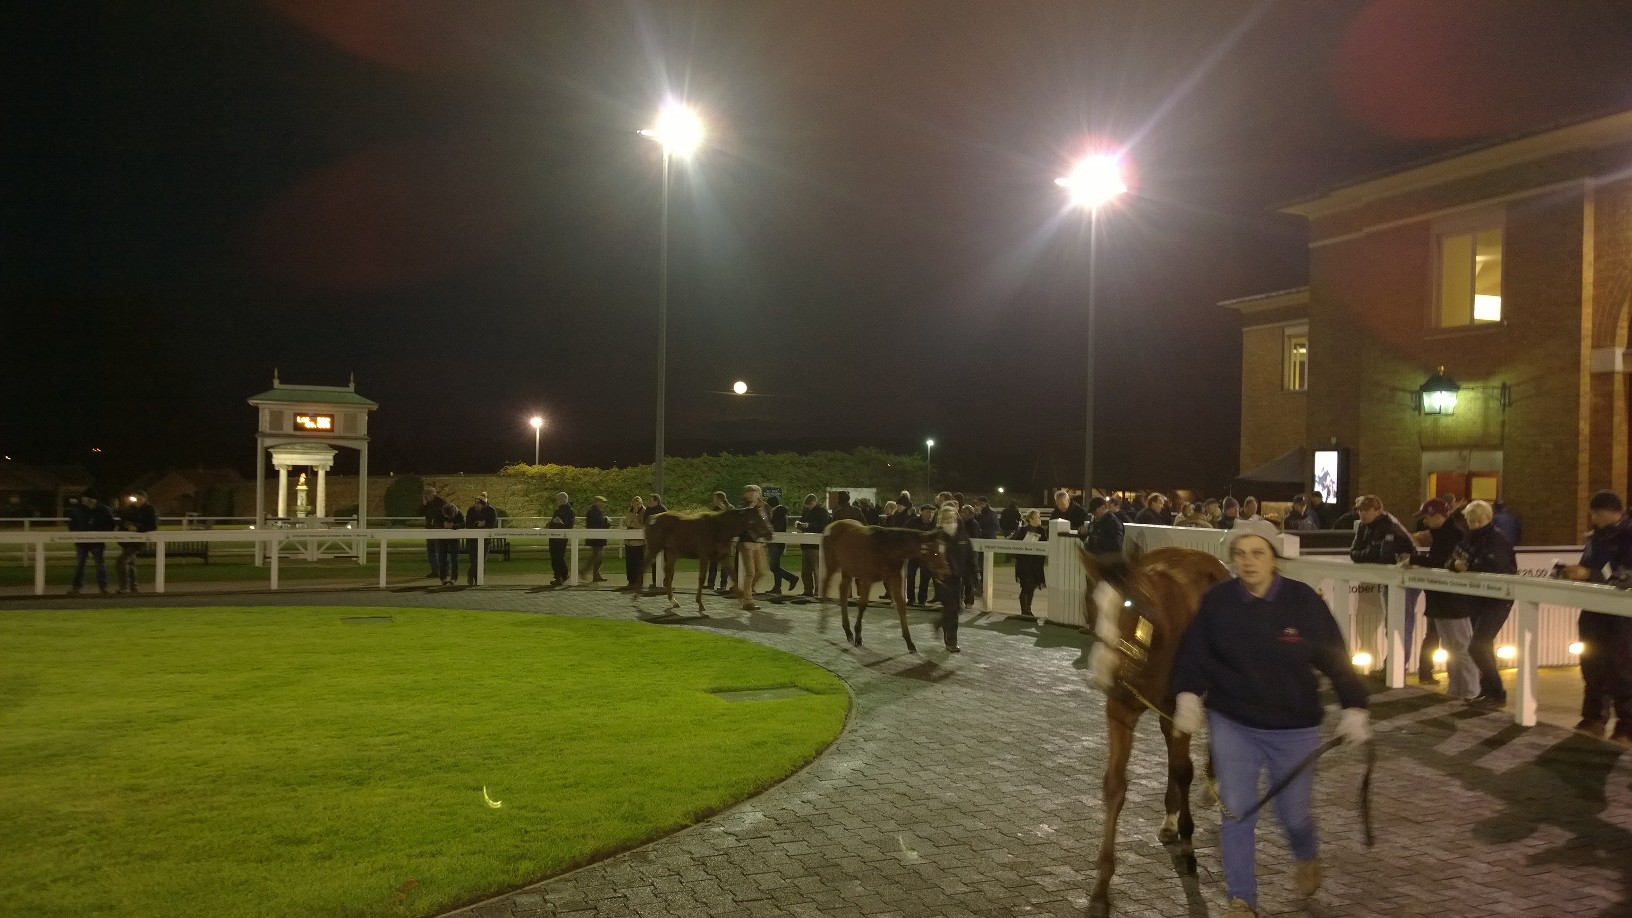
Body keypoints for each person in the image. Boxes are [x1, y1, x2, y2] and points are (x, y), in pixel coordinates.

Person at [1171, 520, 1371, 917]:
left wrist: (1355, 706)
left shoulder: (1302, 602)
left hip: (1294, 728)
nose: (1248, 562)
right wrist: (1188, 695)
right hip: (1233, 722)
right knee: (1238, 809)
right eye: (1240, 554)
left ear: (1274, 557)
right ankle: (1241, 900)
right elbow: (1195, 653)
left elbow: (1335, 656)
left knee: (1292, 814)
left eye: (1258, 553)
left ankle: (1306, 852)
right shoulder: (1218, 601)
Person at [1556, 489, 1632, 744]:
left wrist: (1589, 575)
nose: (1594, 519)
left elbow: (1626, 574)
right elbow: (1591, 566)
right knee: (1591, 664)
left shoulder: (1628, 535)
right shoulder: (1596, 538)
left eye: (1597, 514)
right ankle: (1593, 718)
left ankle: (1627, 725)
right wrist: (1574, 573)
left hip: (1619, 615)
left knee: (1621, 669)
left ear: (1612, 512)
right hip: (1592, 610)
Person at [1452, 500, 1517, 708]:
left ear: (1487, 518)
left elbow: (1497, 566)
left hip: (1498, 600)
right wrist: (1455, 564)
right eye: (1470, 520)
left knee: (1477, 646)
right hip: (1478, 598)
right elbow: (1453, 558)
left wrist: (1468, 565)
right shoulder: (1469, 538)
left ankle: (1497, 693)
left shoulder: (1498, 540)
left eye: (1477, 520)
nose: (1473, 524)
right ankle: (1488, 693)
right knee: (1483, 646)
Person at [1413, 498, 1475, 700]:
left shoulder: (1452, 535)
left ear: (1437, 516)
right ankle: (1458, 689)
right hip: (1443, 600)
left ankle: (1471, 691)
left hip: (1452, 601)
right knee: (1453, 648)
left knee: (1460, 648)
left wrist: (1414, 559)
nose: (1424, 522)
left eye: (1426, 517)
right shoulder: (1445, 534)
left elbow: (1440, 562)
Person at [935, 504, 974, 653]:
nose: (950, 520)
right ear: (941, 519)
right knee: (951, 608)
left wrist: (974, 573)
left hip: (958, 577)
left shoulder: (962, 534)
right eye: (946, 518)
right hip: (942, 578)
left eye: (952, 517)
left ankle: (940, 623)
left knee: (956, 608)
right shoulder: (936, 535)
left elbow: (970, 555)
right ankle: (951, 640)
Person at [67, 490, 116, 595]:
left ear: (92, 499)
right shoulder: (78, 510)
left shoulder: (103, 510)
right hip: (81, 542)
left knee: (99, 565)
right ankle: (77, 587)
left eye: (86, 498)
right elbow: (71, 524)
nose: (84, 500)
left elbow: (111, 524)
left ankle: (103, 587)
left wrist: (102, 534)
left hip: (97, 542)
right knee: (81, 565)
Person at [116, 490, 158, 593]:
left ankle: (124, 587)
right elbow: (122, 522)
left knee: (121, 561)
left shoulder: (149, 510)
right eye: (136, 498)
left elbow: (152, 526)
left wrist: (137, 528)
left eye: (140, 498)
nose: (137, 501)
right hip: (127, 541)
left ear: (145, 499)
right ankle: (133, 587)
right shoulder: (130, 509)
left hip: (138, 542)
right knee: (130, 563)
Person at [1009, 509, 1047, 619]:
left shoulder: (1041, 530)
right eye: (1038, 517)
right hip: (1025, 563)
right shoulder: (1022, 530)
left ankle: (1028, 608)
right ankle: (1025, 610)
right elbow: (1017, 545)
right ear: (1031, 519)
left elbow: (1045, 544)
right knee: (1026, 585)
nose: (1040, 519)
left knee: (1032, 586)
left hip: (1036, 563)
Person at [737, 485, 770, 610]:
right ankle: (748, 601)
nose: (753, 495)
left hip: (758, 542)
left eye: (755, 493)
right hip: (746, 542)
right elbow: (741, 520)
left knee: (761, 571)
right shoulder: (743, 507)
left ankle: (747, 591)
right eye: (750, 493)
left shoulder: (764, 507)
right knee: (750, 572)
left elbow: (767, 522)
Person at [795, 493, 831, 597]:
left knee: (816, 570)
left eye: (810, 504)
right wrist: (800, 525)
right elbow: (803, 522)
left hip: (816, 545)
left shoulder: (823, 512)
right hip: (806, 544)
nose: (809, 506)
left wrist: (809, 525)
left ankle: (818, 591)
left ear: (815, 502)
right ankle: (808, 590)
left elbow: (824, 526)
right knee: (805, 571)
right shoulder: (806, 511)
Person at [765, 494, 800, 595]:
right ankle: (777, 587)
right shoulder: (780, 513)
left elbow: (776, 527)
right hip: (778, 543)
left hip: (776, 542)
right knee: (775, 565)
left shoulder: (777, 513)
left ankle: (791, 578)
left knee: (773, 566)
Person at [906, 503, 938, 606]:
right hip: (913, 553)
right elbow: (904, 533)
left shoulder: (935, 525)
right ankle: (910, 599)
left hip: (927, 556)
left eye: (932, 512)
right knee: (910, 576)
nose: (930, 515)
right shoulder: (912, 522)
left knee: (925, 578)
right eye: (928, 512)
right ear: (922, 512)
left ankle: (922, 600)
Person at [464, 493, 498, 586]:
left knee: (481, 560)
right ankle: (474, 579)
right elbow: (468, 525)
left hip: (485, 541)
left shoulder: (491, 511)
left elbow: (492, 525)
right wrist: (477, 525)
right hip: (472, 540)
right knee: (473, 560)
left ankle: (475, 577)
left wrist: (484, 525)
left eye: (478, 504)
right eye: (475, 503)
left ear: (483, 504)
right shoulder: (471, 510)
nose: (476, 505)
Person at [704, 491, 734, 593]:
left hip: (725, 541)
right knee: (713, 563)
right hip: (715, 540)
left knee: (724, 564)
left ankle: (723, 585)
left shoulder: (730, 508)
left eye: (715, 499)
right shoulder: (715, 509)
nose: (713, 501)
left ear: (719, 499)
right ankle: (710, 584)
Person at [546, 491, 574, 586]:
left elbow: (569, 526)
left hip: (560, 538)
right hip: (554, 537)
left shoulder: (568, 511)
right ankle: (562, 575)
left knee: (557, 557)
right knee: (557, 557)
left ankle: (560, 576)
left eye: (558, 499)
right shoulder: (560, 510)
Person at [621, 496, 647, 592]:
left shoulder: (644, 512)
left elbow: (640, 525)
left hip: (639, 542)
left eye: (638, 504)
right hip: (629, 540)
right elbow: (627, 522)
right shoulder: (630, 511)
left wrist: (635, 515)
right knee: (630, 562)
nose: (636, 506)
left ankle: (638, 582)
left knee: (638, 562)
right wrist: (632, 515)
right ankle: (630, 581)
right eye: (634, 504)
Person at [421, 488, 448, 579]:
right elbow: (421, 513)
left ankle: (445, 570)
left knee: (440, 550)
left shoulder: (441, 502)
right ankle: (435, 571)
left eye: (427, 495)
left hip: (439, 528)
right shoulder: (427, 504)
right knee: (431, 551)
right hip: (430, 529)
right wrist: (424, 505)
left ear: (432, 494)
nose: (426, 497)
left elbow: (443, 514)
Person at [436, 501, 464, 585]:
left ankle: (454, 577)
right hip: (442, 538)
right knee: (442, 558)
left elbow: (463, 524)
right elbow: (435, 523)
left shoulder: (459, 514)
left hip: (454, 539)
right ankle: (443, 577)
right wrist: (442, 525)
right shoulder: (440, 512)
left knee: (454, 558)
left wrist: (453, 526)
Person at [584, 496, 610, 583]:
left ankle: (595, 573)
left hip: (599, 537)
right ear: (596, 502)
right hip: (595, 537)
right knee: (596, 556)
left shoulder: (598, 512)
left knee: (598, 556)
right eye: (601, 502)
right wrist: (606, 520)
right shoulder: (593, 512)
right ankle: (585, 571)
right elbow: (597, 523)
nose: (603, 504)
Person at [644, 493, 667, 589]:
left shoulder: (662, 509)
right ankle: (655, 582)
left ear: (656, 501)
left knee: (665, 561)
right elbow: (645, 521)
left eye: (650, 500)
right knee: (653, 561)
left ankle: (666, 582)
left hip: (664, 540)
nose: (648, 502)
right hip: (653, 539)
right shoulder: (648, 509)